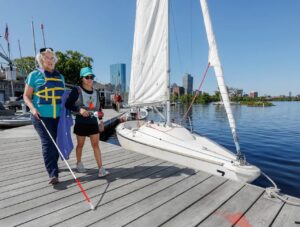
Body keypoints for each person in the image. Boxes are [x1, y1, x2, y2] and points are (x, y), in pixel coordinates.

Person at [23, 48, 65, 185]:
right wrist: (33, 109)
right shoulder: (34, 75)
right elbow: (26, 96)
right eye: (47, 57)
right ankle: (53, 174)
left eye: (52, 58)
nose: (50, 60)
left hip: (57, 117)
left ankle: (54, 166)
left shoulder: (60, 77)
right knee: (48, 143)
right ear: (41, 60)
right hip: (40, 117)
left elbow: (64, 98)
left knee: (56, 143)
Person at [65, 67, 108, 177]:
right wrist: (80, 110)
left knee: (96, 145)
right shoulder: (77, 90)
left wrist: (101, 121)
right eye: (87, 77)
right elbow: (68, 104)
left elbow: (99, 109)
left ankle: (101, 168)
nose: (89, 79)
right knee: (80, 145)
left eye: (91, 77)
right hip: (81, 122)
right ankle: (79, 163)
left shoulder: (96, 92)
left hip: (93, 122)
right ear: (82, 78)